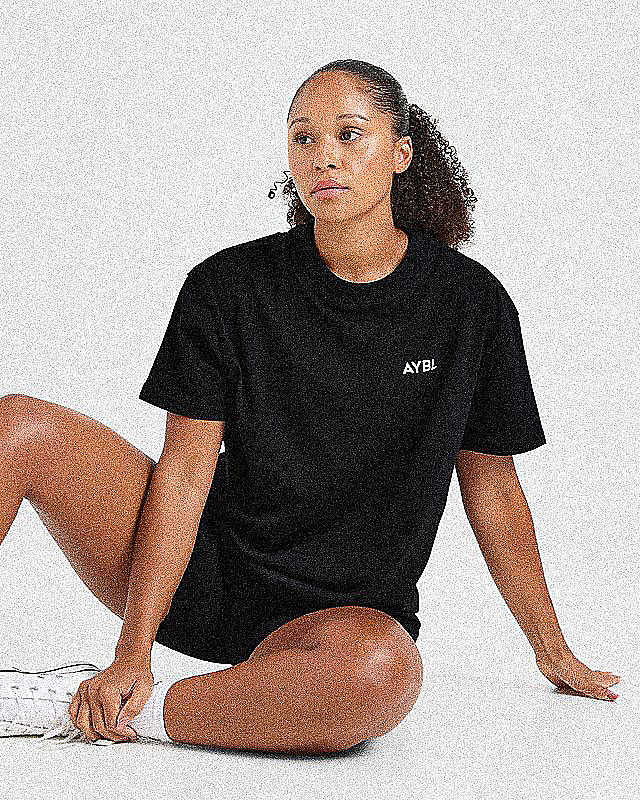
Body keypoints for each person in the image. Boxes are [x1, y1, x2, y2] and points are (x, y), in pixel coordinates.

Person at [0, 59, 620, 755]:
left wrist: (553, 651)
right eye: (303, 137)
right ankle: (153, 693)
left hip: (338, 624)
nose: (323, 156)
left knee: (381, 674)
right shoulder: (227, 286)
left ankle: (87, 707)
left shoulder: (469, 305)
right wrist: (133, 649)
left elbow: (494, 491)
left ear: (401, 153)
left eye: (349, 134)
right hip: (198, 574)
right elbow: (184, 472)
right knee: (15, 426)